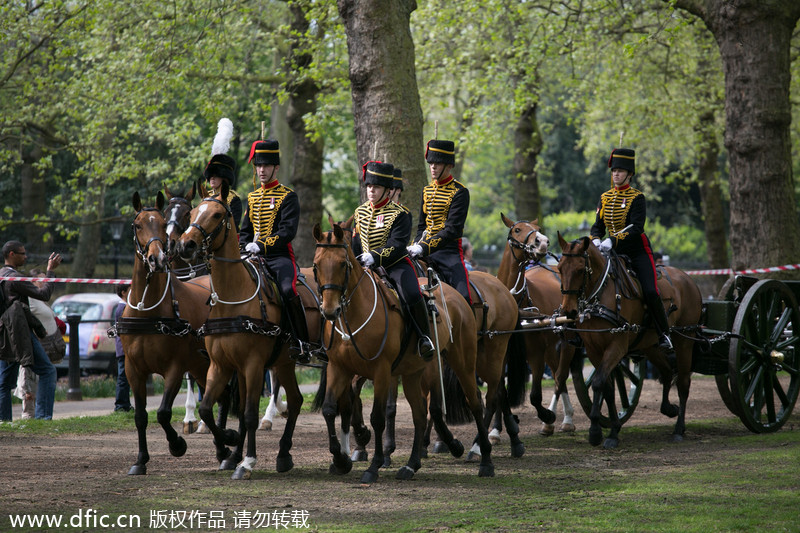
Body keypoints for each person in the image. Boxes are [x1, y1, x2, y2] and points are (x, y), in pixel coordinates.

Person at [590, 147, 674, 358]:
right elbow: (597, 226)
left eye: (620, 171)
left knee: (651, 290)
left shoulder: (637, 198)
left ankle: (664, 334)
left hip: (637, 252)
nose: (616, 174)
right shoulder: (605, 197)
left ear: (629, 174)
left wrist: (614, 239)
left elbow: (636, 227)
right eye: (614, 171)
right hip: (610, 253)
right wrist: (597, 239)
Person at [353, 161, 435, 361]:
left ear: (388, 191)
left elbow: (398, 245)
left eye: (377, 187)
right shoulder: (359, 212)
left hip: (395, 265)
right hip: (365, 267)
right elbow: (356, 242)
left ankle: (424, 338)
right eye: (369, 186)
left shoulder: (400, 214)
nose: (371, 190)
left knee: (412, 293)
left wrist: (375, 256)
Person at [239, 139, 310, 362]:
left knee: (289, 291)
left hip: (278, 257)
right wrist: (243, 248)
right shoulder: (252, 198)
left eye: (266, 166)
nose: (261, 170)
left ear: (276, 168)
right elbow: (245, 231)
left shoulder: (288, 196)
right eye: (258, 166)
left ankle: (301, 342)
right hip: (252, 257)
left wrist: (261, 245)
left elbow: (287, 232)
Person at [0, 242, 61, 420]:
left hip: (4, 334)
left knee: (4, 383)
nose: (26, 257)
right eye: (22, 253)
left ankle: (4, 422)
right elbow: (44, 295)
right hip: (20, 334)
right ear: (11, 254)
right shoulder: (15, 278)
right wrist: (50, 271)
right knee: (48, 371)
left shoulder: (2, 275)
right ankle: (43, 418)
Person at [408, 139, 472, 303]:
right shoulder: (426, 190)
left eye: (437, 163)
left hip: (447, 252)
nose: (433, 167)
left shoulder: (460, 192)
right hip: (422, 249)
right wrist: (416, 245)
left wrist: (423, 247)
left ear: (449, 165)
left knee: (463, 296)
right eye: (431, 163)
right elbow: (422, 225)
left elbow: (452, 230)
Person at [204, 118, 243, 232]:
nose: (212, 178)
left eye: (216, 175)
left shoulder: (233, 199)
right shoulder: (206, 197)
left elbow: (233, 226)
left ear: (224, 177)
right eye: (210, 175)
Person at [113, 284, 132, 412]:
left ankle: (125, 404)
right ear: (124, 292)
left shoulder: (123, 307)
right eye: (130, 290)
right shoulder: (123, 308)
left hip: (123, 349)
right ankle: (120, 405)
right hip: (123, 349)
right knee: (123, 378)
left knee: (126, 377)